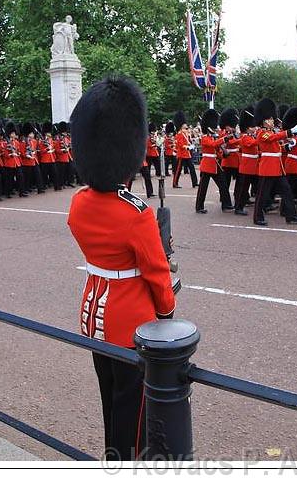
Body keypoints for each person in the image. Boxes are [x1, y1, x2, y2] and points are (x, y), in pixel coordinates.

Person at [68, 75, 176, 461]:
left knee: (109, 399)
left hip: (93, 316)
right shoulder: (137, 214)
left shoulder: (79, 204)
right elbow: (157, 274)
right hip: (131, 322)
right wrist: (167, 311)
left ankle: (112, 460)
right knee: (134, 413)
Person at [251, 97, 297, 226]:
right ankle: (257, 217)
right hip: (268, 167)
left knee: (287, 191)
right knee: (262, 195)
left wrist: (287, 146)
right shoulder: (261, 133)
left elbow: (277, 148)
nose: (272, 121)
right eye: (269, 119)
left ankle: (291, 216)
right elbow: (273, 138)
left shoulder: (269, 132)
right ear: (263, 121)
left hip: (277, 167)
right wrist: (290, 131)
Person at [194, 108, 233, 213]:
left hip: (214, 165)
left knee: (223, 184)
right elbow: (213, 145)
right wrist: (224, 139)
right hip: (207, 165)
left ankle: (226, 204)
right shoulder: (205, 138)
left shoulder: (212, 137)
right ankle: (199, 207)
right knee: (203, 188)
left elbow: (216, 150)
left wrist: (223, 154)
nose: (214, 128)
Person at [172, 111, 198, 188]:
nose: (186, 126)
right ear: (181, 126)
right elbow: (180, 144)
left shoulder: (185, 134)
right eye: (185, 125)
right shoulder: (179, 134)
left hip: (187, 154)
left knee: (192, 168)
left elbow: (187, 142)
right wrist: (187, 147)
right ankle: (175, 183)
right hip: (181, 154)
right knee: (178, 170)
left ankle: (195, 182)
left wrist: (190, 145)